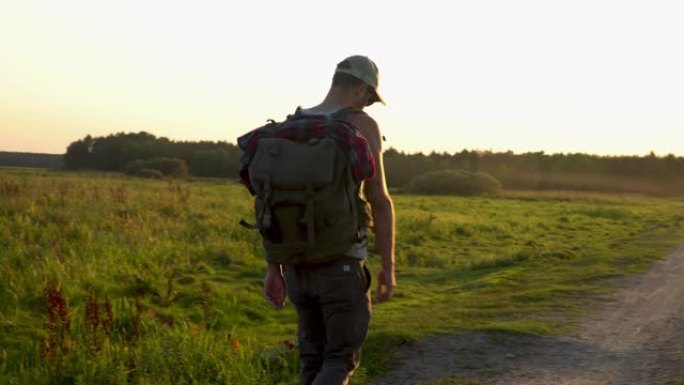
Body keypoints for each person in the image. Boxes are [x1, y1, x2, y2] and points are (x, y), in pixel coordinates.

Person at [263, 55, 396, 385]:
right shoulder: (361, 124)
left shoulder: (291, 125)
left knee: (312, 360)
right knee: (339, 360)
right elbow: (378, 199)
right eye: (369, 99)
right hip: (342, 263)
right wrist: (388, 266)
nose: (368, 106)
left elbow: (270, 201)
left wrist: (273, 268)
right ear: (362, 89)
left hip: (296, 265)